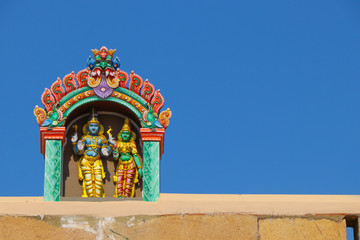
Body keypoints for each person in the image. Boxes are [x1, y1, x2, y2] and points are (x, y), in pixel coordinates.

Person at [71, 108, 114, 197]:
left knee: (98, 181)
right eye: (91, 126)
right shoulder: (84, 138)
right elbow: (78, 152)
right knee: (88, 182)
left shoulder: (101, 139)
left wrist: (110, 145)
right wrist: (75, 143)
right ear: (87, 128)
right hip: (86, 161)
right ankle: (90, 196)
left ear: (99, 128)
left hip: (97, 162)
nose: (93, 127)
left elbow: (105, 153)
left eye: (95, 126)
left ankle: (98, 197)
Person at [113, 118, 143, 198]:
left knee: (128, 182)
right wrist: (115, 153)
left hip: (130, 164)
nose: (125, 134)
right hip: (121, 165)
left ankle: (127, 197)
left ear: (130, 135)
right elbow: (115, 157)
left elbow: (135, 155)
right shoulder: (118, 144)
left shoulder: (132, 144)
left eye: (127, 133)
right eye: (123, 133)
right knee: (120, 181)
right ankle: (119, 197)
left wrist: (139, 167)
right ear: (120, 134)